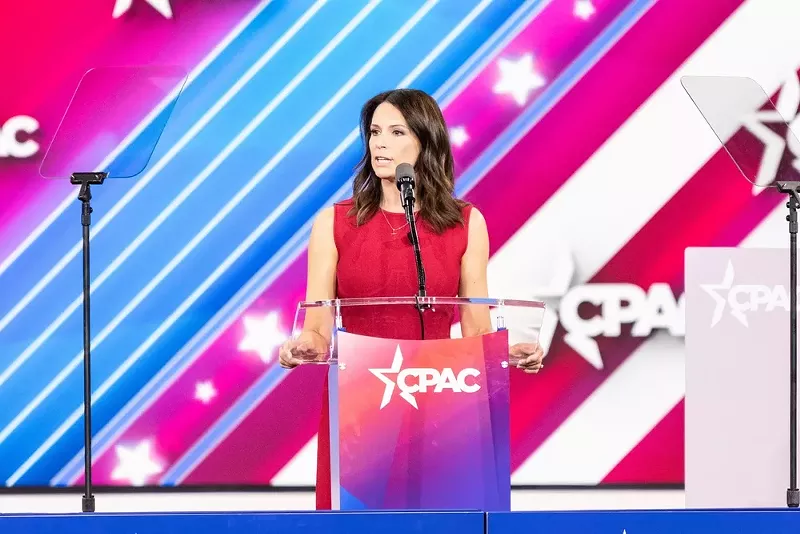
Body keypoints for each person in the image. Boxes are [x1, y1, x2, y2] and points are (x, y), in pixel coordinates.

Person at [278, 88, 544, 509]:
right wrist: (304, 346)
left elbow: (476, 326)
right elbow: (317, 325)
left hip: (442, 401)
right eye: (374, 132)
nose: (380, 143)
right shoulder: (333, 222)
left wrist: (508, 351)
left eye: (396, 131)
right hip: (361, 407)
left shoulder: (466, 223)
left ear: (425, 141)